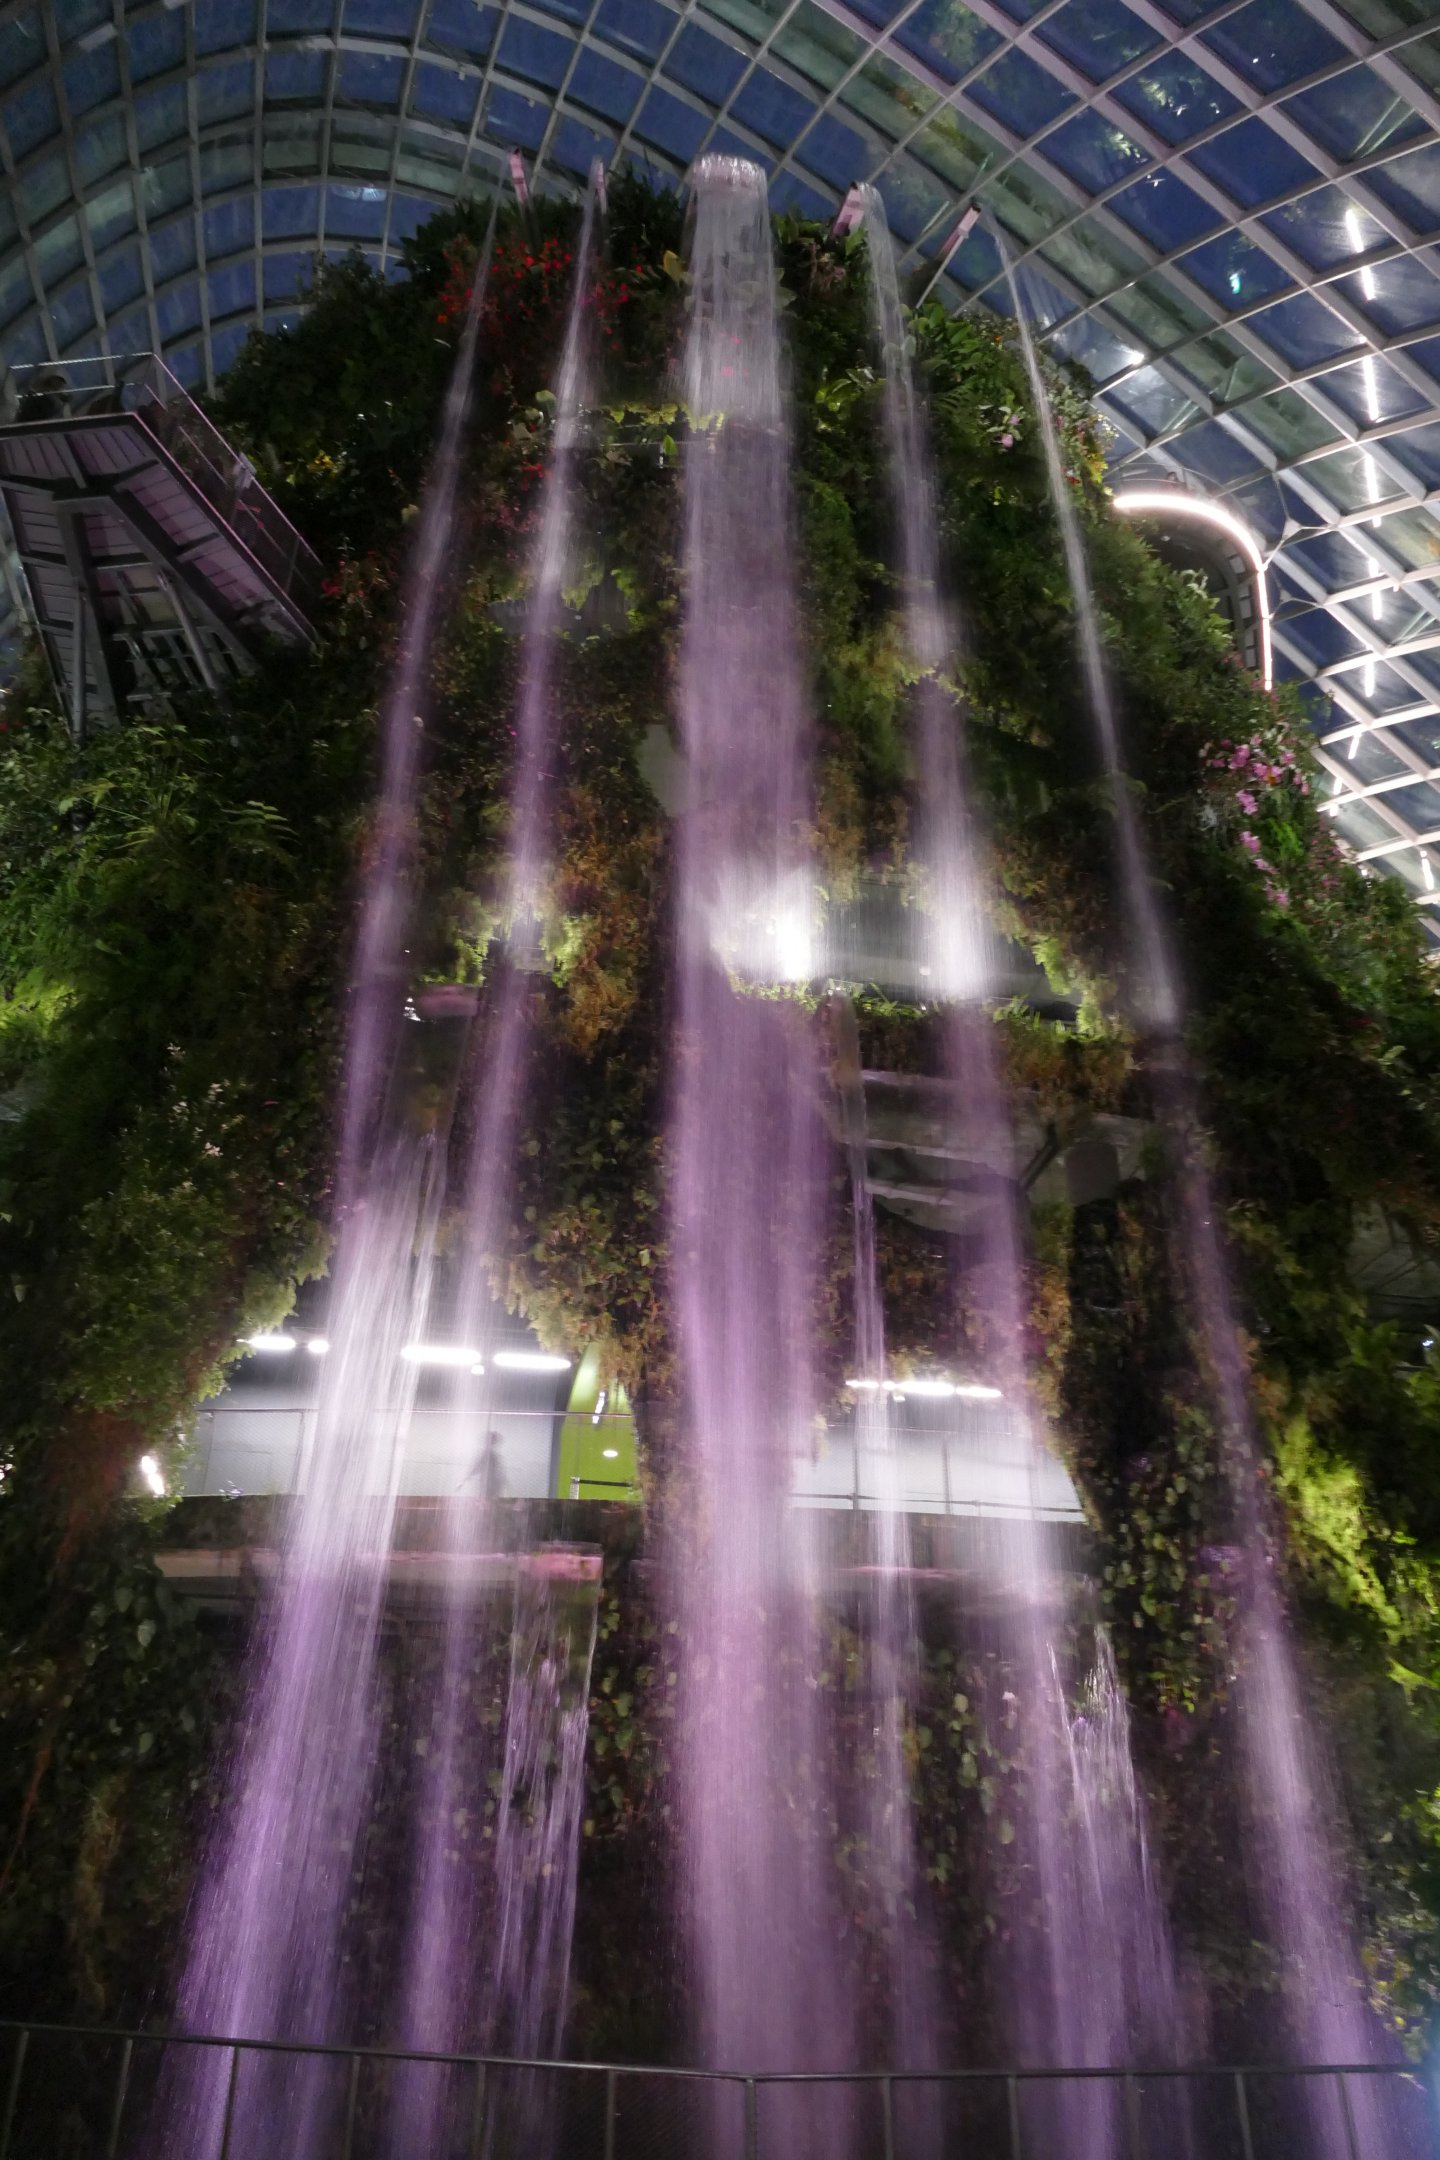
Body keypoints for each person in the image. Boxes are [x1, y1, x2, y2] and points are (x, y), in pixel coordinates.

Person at [460, 1428, 506, 1500]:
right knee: (486, 1500)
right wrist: (469, 1475)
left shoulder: (491, 1454)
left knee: (487, 1500)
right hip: (488, 1483)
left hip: (490, 1483)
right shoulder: (488, 1454)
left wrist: (469, 1475)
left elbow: (478, 1467)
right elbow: (478, 1466)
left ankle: (485, 1504)